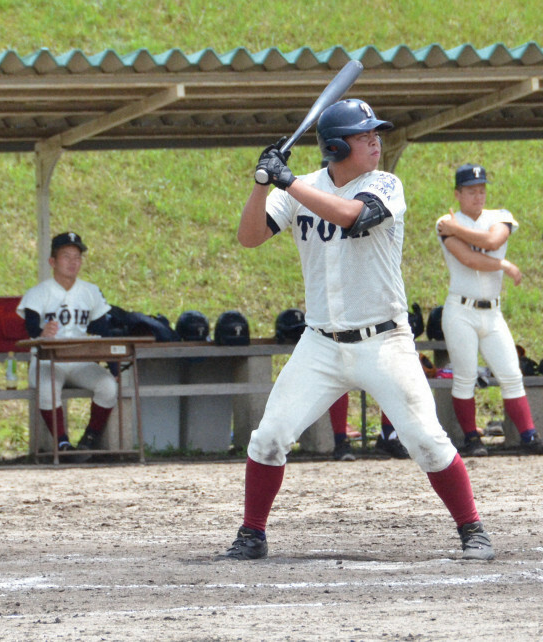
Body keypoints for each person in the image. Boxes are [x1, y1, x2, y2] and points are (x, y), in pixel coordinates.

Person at [221, 98, 494, 562]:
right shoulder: (299, 188)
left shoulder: (385, 183)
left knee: (426, 439)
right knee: (269, 437)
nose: (375, 141)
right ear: (333, 147)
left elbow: (352, 216)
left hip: (383, 341)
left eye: (375, 133)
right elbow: (250, 236)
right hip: (320, 343)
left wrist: (288, 181)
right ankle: (252, 533)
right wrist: (262, 184)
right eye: (364, 135)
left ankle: (473, 528)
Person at [436, 164, 542, 456]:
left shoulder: (499, 217)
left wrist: (458, 229)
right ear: (458, 193)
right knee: (465, 376)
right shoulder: (444, 220)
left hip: (492, 312)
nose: (478, 196)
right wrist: (503, 264)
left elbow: (493, 241)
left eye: (481, 190)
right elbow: (468, 259)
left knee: (510, 373)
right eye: (470, 191)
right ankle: (472, 438)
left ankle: (529, 436)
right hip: (461, 308)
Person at [17, 232, 117, 461]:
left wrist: (113, 368)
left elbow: (104, 330)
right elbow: (30, 327)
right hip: (46, 359)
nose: (73, 262)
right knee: (47, 387)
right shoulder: (38, 292)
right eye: (66, 256)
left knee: (108, 386)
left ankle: (89, 440)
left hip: (80, 360)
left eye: (77, 257)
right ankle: (62, 444)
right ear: (52, 261)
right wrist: (41, 333)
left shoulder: (90, 291)